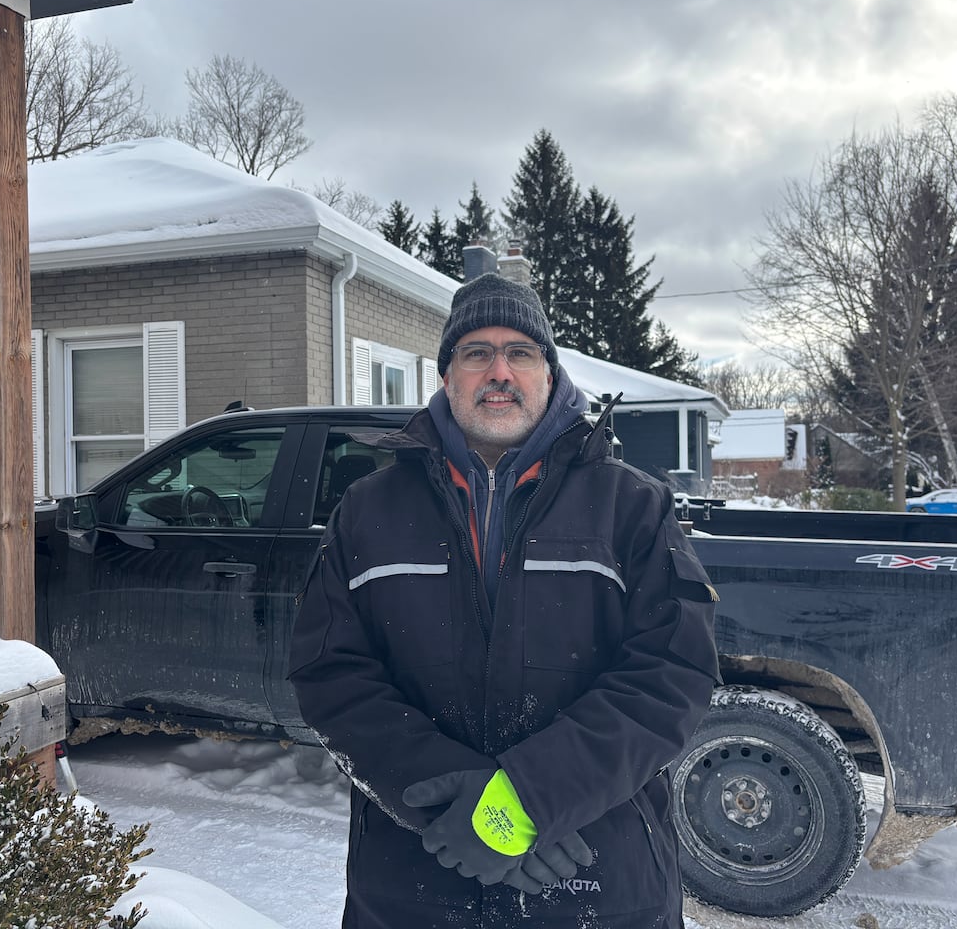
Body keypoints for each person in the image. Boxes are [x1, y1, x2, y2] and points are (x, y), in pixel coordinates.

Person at [289, 272, 720, 928]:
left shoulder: (631, 505)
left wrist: (524, 802)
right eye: (475, 352)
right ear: (447, 376)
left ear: (548, 373)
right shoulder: (367, 512)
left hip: (597, 882)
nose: (499, 370)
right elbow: (330, 675)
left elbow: (673, 672)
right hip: (412, 887)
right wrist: (456, 806)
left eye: (520, 351)